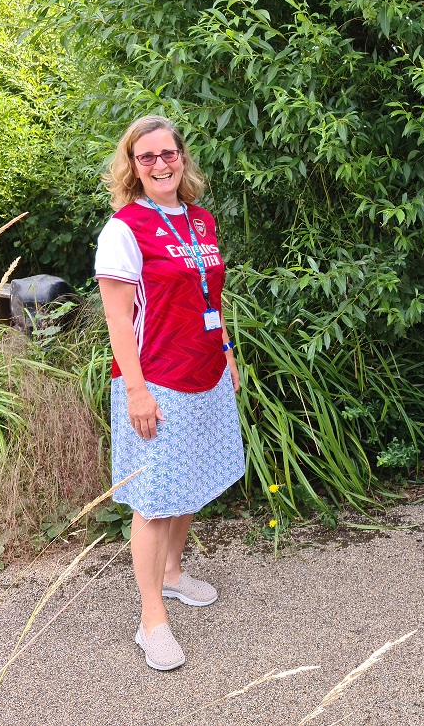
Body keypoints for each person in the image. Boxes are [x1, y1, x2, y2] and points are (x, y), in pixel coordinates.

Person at [95, 115, 244, 671]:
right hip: (156, 380)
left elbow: (212, 296)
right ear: (132, 167)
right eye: (147, 156)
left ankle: (174, 574)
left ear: (183, 157)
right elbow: (118, 319)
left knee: (194, 477)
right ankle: (150, 618)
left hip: (205, 371)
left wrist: (226, 351)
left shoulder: (200, 220)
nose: (160, 164)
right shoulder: (125, 228)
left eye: (168, 153)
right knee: (155, 500)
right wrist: (135, 390)